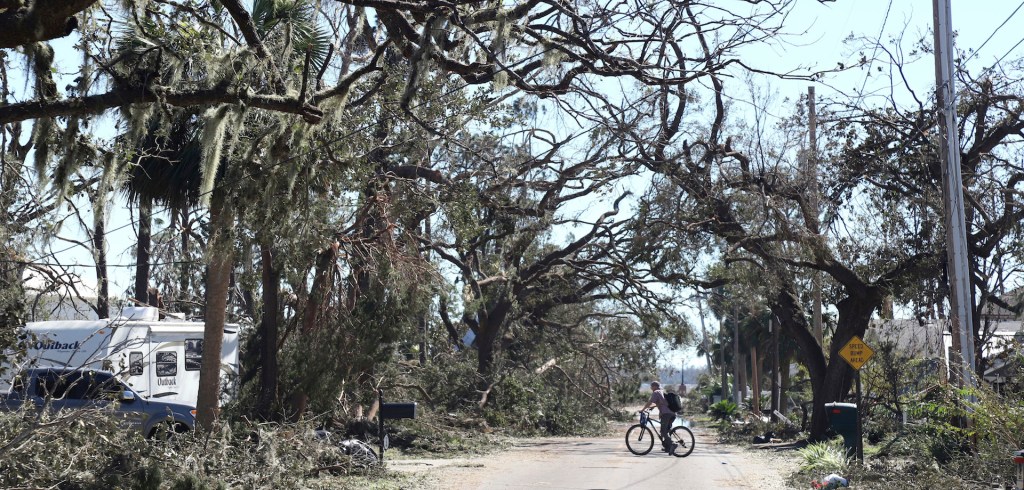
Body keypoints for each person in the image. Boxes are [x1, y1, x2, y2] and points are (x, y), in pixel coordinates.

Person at [641, 381, 676, 453]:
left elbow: (650, 402)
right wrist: (651, 408)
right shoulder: (661, 391)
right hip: (672, 413)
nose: (651, 388)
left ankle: (673, 444)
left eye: (651, 387)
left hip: (666, 414)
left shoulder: (656, 392)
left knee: (663, 432)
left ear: (654, 386)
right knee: (665, 430)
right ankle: (667, 448)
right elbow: (660, 403)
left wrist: (643, 410)